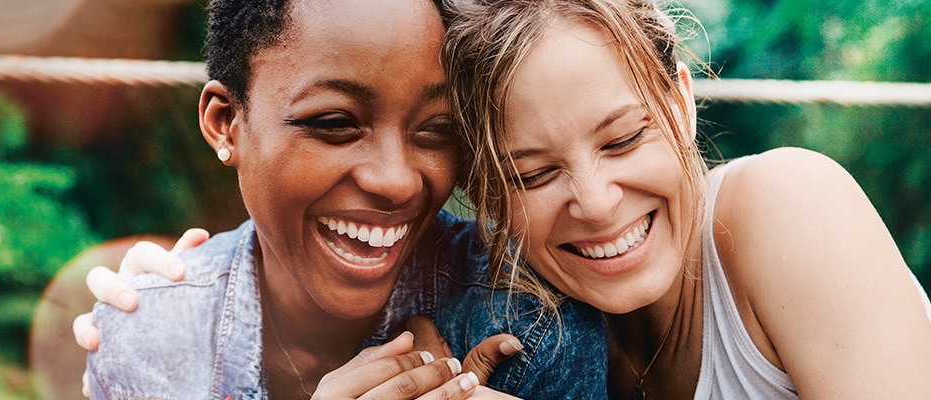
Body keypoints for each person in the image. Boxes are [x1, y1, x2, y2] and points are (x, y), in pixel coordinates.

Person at [80, 0, 608, 398]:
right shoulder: (145, 341)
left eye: (437, 129)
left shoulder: (531, 328)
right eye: (335, 124)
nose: (397, 181)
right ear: (226, 125)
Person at [443, 0, 931, 398]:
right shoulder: (522, 338)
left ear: (680, 104)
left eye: (624, 140)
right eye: (534, 174)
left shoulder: (791, 204)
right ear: (482, 193)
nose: (595, 203)